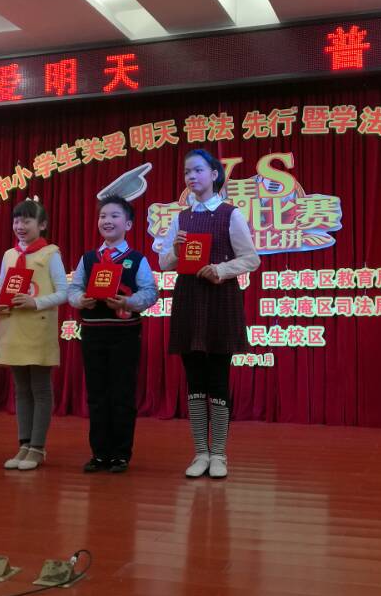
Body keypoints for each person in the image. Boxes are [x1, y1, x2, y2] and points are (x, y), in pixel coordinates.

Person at [158, 149, 260, 479]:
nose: (191, 176)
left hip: (219, 299)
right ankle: (200, 452)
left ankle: (219, 454)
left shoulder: (230, 214)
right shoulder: (181, 218)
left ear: (215, 175)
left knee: (217, 378)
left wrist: (221, 269)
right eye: (187, 171)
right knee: (195, 381)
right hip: (189, 299)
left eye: (198, 170)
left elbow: (251, 259)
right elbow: (164, 263)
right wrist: (176, 250)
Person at [68, 195, 158, 473]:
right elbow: (74, 289)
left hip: (125, 335)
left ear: (128, 224)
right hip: (93, 334)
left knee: (122, 394)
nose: (107, 221)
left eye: (114, 216)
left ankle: (120, 454)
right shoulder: (88, 258)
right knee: (97, 394)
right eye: (103, 216)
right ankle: (99, 454)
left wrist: (129, 302)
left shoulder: (137, 259)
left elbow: (150, 293)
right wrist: (80, 300)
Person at [0, 199, 68, 470]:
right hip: (13, 326)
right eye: (16, 221)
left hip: (38, 327)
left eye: (27, 221)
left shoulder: (50, 254)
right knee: (21, 390)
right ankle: (23, 444)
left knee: (40, 389)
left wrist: (36, 302)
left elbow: (64, 292)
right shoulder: (9, 255)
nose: (20, 226)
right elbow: (1, 288)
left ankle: (37, 448)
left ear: (42, 225)